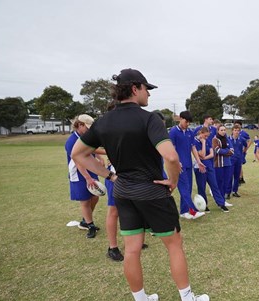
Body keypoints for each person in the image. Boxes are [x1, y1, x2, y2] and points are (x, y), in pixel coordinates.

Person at [70, 68, 208, 301]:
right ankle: (187, 297)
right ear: (135, 88)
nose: (149, 94)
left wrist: (111, 176)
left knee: (132, 248)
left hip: (123, 190)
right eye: (147, 89)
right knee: (174, 244)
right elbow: (171, 157)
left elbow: (78, 154)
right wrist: (173, 180)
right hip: (152, 190)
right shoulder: (149, 118)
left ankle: (141, 298)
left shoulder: (103, 122)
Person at [65, 114, 100, 239]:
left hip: (90, 169)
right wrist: (87, 178)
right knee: (85, 200)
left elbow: (92, 149)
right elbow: (78, 161)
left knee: (95, 196)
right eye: (87, 127)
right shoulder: (71, 141)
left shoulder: (85, 137)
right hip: (79, 173)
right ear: (79, 125)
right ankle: (89, 225)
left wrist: (100, 158)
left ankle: (86, 220)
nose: (89, 130)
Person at [169, 111, 206, 220]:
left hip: (189, 164)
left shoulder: (190, 132)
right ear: (180, 119)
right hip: (179, 166)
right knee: (184, 188)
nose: (187, 124)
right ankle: (193, 211)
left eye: (189, 122)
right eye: (186, 121)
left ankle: (184, 211)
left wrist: (198, 161)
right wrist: (177, 162)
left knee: (188, 188)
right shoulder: (173, 131)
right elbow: (172, 149)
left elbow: (193, 148)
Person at [194, 127, 229, 212]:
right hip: (200, 168)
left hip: (209, 166)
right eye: (205, 136)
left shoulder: (208, 140)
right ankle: (204, 205)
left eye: (207, 136)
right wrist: (203, 143)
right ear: (201, 133)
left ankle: (221, 204)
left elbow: (212, 154)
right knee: (201, 187)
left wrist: (204, 157)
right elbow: (201, 154)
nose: (206, 138)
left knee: (214, 185)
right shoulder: (195, 141)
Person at [213, 125, 234, 203]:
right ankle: (220, 200)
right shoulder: (215, 139)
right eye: (221, 130)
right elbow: (217, 150)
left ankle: (223, 200)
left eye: (224, 130)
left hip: (227, 164)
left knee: (226, 182)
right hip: (218, 164)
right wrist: (226, 151)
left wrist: (225, 151)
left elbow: (232, 151)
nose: (223, 131)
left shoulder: (227, 139)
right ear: (218, 131)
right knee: (219, 183)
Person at [229, 125, 247, 197]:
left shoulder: (241, 139)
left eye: (238, 130)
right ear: (232, 131)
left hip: (238, 160)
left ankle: (235, 191)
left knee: (237, 176)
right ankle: (227, 192)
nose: (236, 132)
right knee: (230, 176)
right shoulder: (228, 139)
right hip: (230, 160)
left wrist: (242, 153)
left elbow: (246, 146)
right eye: (235, 130)